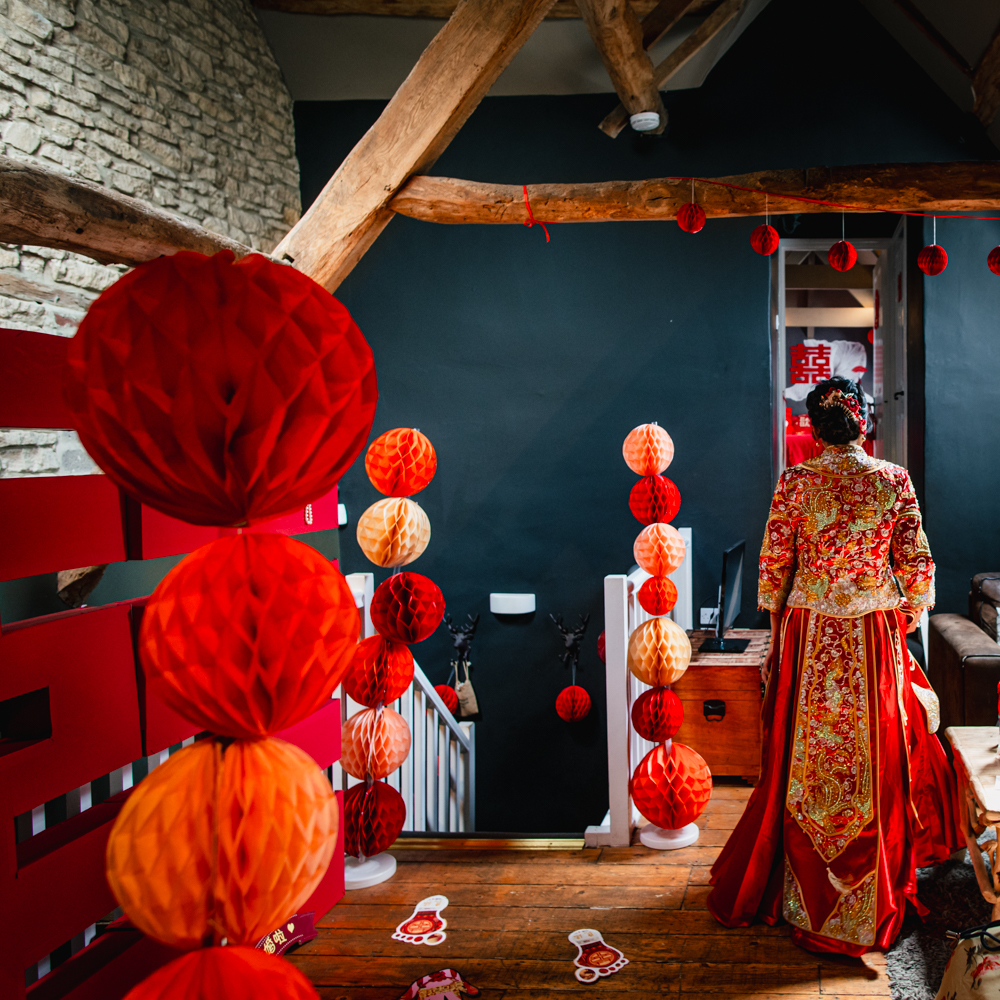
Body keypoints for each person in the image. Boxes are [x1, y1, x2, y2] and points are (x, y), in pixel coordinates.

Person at [706, 376, 960, 956]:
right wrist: (908, 615)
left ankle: (800, 887)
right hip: (872, 631)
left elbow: (774, 568)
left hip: (810, 628)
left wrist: (778, 632)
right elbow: (917, 565)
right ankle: (872, 895)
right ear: (862, 421)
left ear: (813, 427)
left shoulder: (796, 481)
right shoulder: (893, 480)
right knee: (876, 750)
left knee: (807, 748)